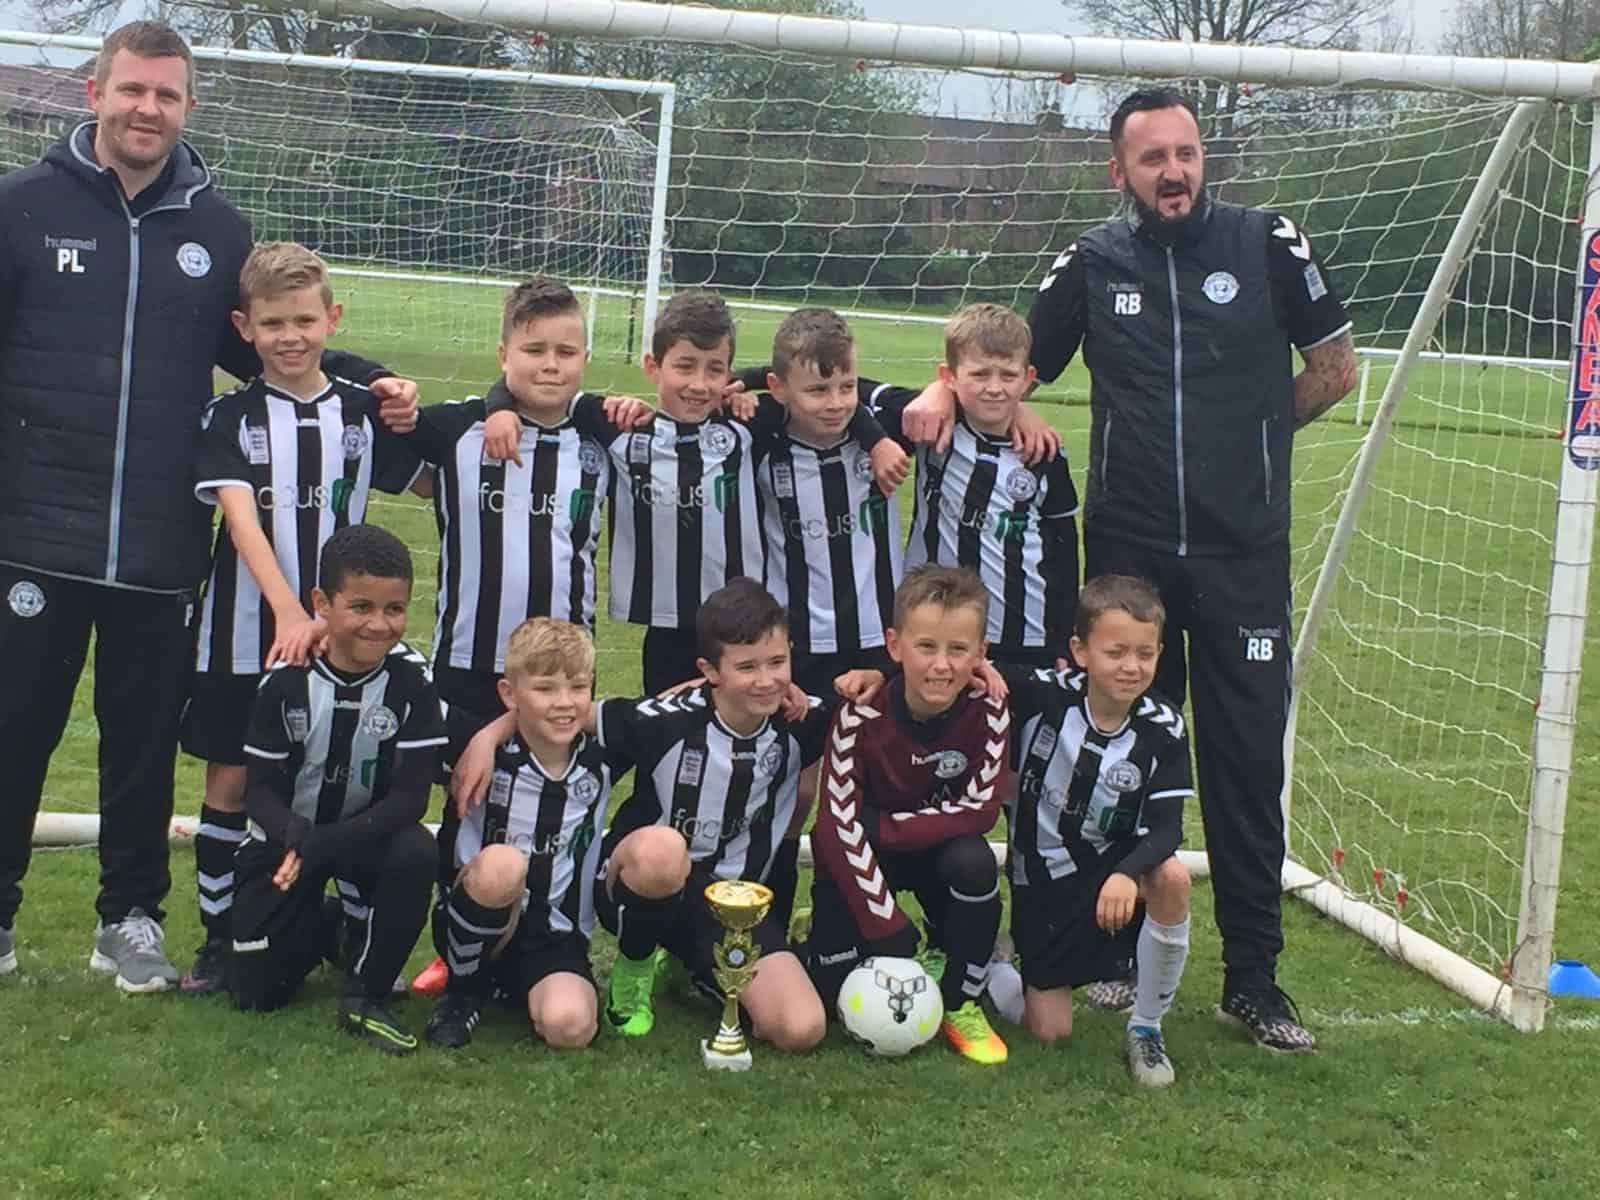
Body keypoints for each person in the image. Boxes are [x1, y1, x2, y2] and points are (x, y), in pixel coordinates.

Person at [909, 87, 1357, 1051]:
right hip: (1130, 560)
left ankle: (1255, 979)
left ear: (1205, 160)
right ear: (1120, 173)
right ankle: (1104, 956)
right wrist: (950, 391)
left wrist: (1256, 441)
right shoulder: (1094, 260)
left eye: (1186, 153)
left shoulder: (1266, 241)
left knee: (1242, 765)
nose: (1173, 172)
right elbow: (1010, 363)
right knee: (1106, 755)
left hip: (1243, 556)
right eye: (1152, 158)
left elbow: (1334, 369)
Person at [0, 20, 418, 989]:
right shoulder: (20, 209)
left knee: (140, 744)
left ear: (187, 106)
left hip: (160, 546)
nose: (147, 109)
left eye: (167, 95)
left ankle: (131, 918)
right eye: (131, 90)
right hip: (34, 535)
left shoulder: (217, 231)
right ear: (93, 91)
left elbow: (274, 350)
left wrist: (379, 378)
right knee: (15, 733)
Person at [178, 242, 425, 994]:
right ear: (243, 327)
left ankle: (351, 924)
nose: (291, 336)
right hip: (247, 629)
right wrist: (290, 609)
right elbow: (241, 517)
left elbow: (424, 477)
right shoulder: (230, 415)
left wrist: (409, 399)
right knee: (230, 778)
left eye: (305, 320)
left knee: (350, 772)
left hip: (342, 638)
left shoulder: (361, 411)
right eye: (273, 322)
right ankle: (221, 936)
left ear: (332, 319)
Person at [457, 578, 834, 1052]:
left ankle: (692, 969)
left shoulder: (805, 720)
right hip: (642, 884)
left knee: (800, 1030)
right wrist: (487, 737)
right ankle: (634, 971)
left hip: (734, 903)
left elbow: (878, 711)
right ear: (710, 670)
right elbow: (564, 710)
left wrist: (875, 678)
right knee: (663, 849)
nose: (765, 680)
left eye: (777, 662)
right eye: (746, 667)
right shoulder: (663, 718)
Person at [480, 289, 899, 697]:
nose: (699, 384)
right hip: (665, 630)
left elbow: (817, 382)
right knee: (664, 742)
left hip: (742, 626)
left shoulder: (748, 426)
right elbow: (535, 392)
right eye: (685, 366)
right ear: (652, 366)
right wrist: (498, 408)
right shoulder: (619, 426)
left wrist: (876, 440)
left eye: (715, 369)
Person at [229, 525, 443, 1055]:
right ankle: (332, 929)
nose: (379, 624)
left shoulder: (412, 684)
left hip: (364, 841)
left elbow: (412, 799)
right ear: (321, 603)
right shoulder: (284, 682)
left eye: (395, 609)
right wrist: (295, 834)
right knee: (257, 993)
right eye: (362, 607)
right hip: (289, 842)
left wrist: (326, 843)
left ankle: (366, 993)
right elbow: (256, 793)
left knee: (417, 848)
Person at [988, 574, 1194, 1088]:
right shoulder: (1043, 697)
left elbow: (1168, 829)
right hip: (1045, 882)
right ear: (1080, 652)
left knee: (1170, 877)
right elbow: (967, 669)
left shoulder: (1163, 726)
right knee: (1050, 1032)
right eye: (1115, 651)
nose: (1131, 666)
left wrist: (1127, 874)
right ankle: (993, 967)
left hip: (1115, 878)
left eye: (1144, 654)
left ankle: (1146, 1028)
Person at [802, 565, 1013, 1066]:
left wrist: (883, 827)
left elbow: (981, 812)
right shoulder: (859, 714)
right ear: (895, 646)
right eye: (926, 647)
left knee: (975, 863)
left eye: (959, 650)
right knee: (831, 1000)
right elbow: (835, 829)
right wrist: (886, 925)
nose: (941, 666)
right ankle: (824, 931)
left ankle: (962, 1001)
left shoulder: (990, 710)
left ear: (981, 655)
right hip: (862, 861)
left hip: (931, 854)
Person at [424, 618, 613, 1051]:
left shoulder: (604, 755)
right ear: (509, 695)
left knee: (571, 1029)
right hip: (475, 910)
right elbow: (410, 687)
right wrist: (489, 736)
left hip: (553, 935)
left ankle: (514, 988)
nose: (564, 703)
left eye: (578, 687)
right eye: (545, 689)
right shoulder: (472, 748)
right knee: (504, 865)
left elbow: (690, 706)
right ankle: (463, 990)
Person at [872, 304, 1079, 669]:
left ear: (1028, 378)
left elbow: (1062, 546)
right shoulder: (931, 424)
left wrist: (1063, 635)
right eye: (980, 374)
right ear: (950, 376)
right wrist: (935, 392)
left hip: (1024, 633)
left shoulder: (1044, 450)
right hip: (939, 634)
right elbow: (848, 393)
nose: (995, 388)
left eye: (1008, 375)